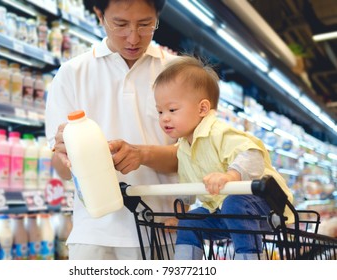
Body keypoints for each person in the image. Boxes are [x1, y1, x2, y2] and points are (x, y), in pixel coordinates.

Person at [45, 0, 180, 260]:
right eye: (120, 24)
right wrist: (66, 152)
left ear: (158, 17)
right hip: (94, 235)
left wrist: (142, 154)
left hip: (162, 231)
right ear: (99, 14)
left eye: (145, 25)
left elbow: (197, 156)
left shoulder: (178, 72)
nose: (133, 37)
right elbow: (61, 169)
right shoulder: (72, 74)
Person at [153, 55, 294, 260]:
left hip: (265, 207)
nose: (164, 117)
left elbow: (252, 155)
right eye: (160, 111)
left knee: (233, 203)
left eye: (172, 109)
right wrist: (180, 217)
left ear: (202, 108)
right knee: (191, 220)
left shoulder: (218, 132)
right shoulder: (183, 148)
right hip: (225, 214)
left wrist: (231, 176)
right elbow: (187, 187)